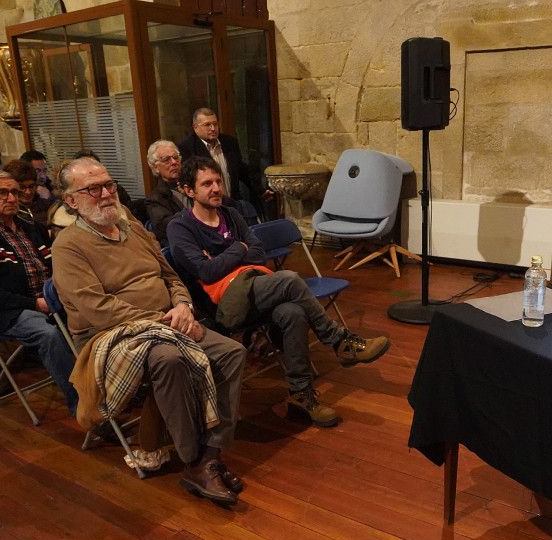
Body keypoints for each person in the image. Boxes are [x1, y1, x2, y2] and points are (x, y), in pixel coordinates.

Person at [52, 157, 247, 504]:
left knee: (232, 352)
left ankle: (209, 456)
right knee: (169, 358)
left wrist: (183, 305)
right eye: (92, 189)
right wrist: (165, 320)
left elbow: (170, 276)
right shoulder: (68, 246)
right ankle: (192, 460)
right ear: (71, 200)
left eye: (109, 185)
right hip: (108, 336)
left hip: (166, 319)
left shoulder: (132, 228)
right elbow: (97, 310)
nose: (106, 194)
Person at [168, 157, 391, 428]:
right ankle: (339, 341)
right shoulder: (180, 227)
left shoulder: (230, 214)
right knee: (289, 280)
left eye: (218, 181)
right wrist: (239, 249)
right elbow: (207, 272)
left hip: (255, 285)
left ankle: (301, 395)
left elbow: (259, 253)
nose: (216, 188)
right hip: (224, 305)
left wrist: (224, 257)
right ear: (189, 191)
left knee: (293, 312)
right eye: (207, 184)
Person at [0, 169, 78, 412]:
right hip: (9, 311)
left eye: (14, 192)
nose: (11, 198)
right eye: (2, 193)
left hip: (52, 299)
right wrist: (34, 303)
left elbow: (56, 264)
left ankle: (113, 388)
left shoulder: (30, 226)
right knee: (49, 334)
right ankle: (84, 406)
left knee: (94, 316)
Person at [177, 107, 273, 213]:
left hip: (233, 205)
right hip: (207, 208)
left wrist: (260, 191)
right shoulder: (187, 147)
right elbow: (188, 180)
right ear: (195, 127)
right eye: (207, 125)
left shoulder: (229, 142)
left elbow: (241, 170)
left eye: (215, 124)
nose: (213, 128)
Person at [142, 139, 189, 245]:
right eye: (166, 159)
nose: (174, 162)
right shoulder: (155, 199)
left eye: (176, 158)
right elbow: (168, 225)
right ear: (156, 167)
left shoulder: (193, 185)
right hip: (182, 244)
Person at [2, 159, 53, 225]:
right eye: (22, 187)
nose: (28, 192)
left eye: (31, 186)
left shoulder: (48, 206)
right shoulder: (7, 212)